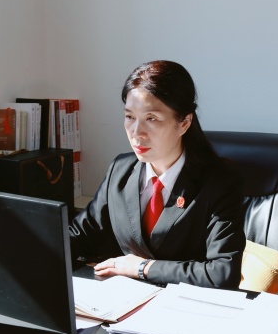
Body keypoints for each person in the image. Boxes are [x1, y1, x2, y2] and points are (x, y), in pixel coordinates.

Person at [69, 60, 246, 289]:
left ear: (184, 123)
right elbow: (81, 234)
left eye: (151, 118)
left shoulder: (220, 180)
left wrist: (143, 268)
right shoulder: (120, 169)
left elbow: (223, 274)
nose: (137, 133)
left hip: (184, 304)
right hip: (122, 300)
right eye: (130, 117)